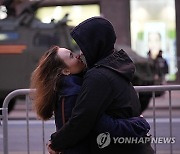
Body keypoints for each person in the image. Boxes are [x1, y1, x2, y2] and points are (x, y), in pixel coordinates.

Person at [47, 17, 154, 153]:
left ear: (95, 44)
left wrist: (55, 142)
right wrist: (138, 124)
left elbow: (82, 120)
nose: (81, 53)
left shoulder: (98, 76)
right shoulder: (116, 67)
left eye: (84, 46)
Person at [31, 46, 151, 154]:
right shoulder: (74, 93)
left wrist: (55, 140)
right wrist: (139, 124)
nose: (78, 55)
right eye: (71, 56)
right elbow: (96, 123)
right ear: (66, 71)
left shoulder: (69, 88)